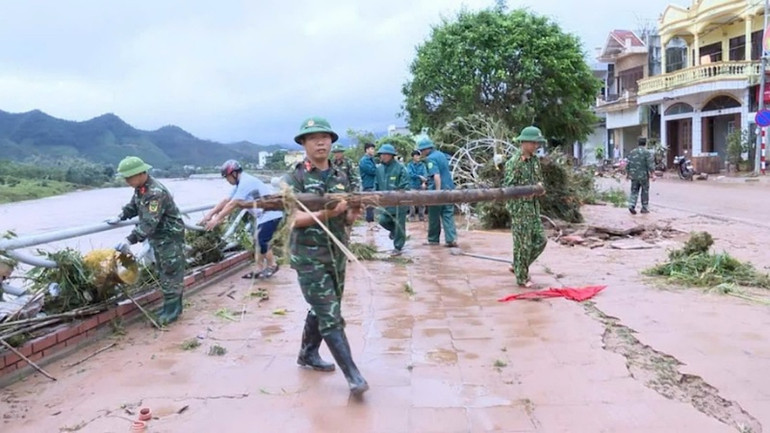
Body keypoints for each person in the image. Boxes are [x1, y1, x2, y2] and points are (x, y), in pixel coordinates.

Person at [284, 116, 368, 396]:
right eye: (312, 138)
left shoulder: (340, 175)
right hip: (308, 256)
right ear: (304, 143)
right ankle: (354, 376)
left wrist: (352, 214)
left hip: (337, 253)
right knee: (330, 315)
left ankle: (307, 354)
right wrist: (325, 214)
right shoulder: (294, 177)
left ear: (331, 141)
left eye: (325, 137)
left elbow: (346, 219)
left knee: (322, 308)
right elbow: (292, 219)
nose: (320, 142)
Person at [107, 156, 186, 325]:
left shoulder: (154, 193)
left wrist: (130, 239)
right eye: (126, 178)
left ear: (141, 173)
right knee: (164, 271)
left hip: (169, 237)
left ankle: (172, 311)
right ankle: (171, 307)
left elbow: (150, 222)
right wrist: (121, 216)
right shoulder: (141, 189)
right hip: (159, 238)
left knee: (170, 272)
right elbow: (134, 206)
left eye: (129, 177)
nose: (127, 181)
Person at [199, 160, 284, 278]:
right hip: (263, 216)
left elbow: (233, 204)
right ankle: (259, 268)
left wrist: (216, 219)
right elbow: (226, 200)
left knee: (262, 240)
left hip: (270, 214)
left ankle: (272, 266)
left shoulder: (246, 182)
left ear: (233, 173)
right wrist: (210, 214)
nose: (227, 180)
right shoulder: (240, 183)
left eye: (227, 177)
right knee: (257, 241)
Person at [503, 126, 548, 288]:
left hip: (533, 208)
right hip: (520, 209)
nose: (536, 146)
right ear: (524, 143)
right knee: (522, 244)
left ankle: (518, 266)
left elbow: (539, 180)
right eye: (534, 143)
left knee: (541, 240)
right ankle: (522, 278)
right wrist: (525, 192)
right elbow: (508, 188)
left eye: (538, 143)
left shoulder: (535, 161)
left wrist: (539, 188)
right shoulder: (514, 163)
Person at [417, 134, 458, 247]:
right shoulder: (441, 155)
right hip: (449, 189)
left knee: (434, 216)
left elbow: (436, 175)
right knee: (447, 214)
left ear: (426, 149)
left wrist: (437, 192)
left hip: (438, 191)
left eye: (422, 150)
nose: (422, 153)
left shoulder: (430, 159)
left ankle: (433, 239)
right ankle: (451, 239)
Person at [374, 143, 410, 255]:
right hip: (385, 203)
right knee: (382, 220)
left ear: (391, 155)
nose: (382, 157)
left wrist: (399, 194)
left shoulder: (400, 168)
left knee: (400, 225)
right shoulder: (379, 169)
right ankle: (394, 231)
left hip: (399, 203)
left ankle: (398, 247)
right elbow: (376, 185)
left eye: (384, 155)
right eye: (381, 155)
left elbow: (405, 185)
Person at [626, 137, 655, 215]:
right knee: (644, 192)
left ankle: (631, 205)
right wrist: (653, 174)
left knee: (634, 191)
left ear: (638, 143)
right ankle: (644, 208)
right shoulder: (647, 152)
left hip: (634, 176)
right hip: (644, 176)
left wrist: (628, 174)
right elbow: (650, 164)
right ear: (645, 143)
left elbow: (628, 164)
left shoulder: (632, 152)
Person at [358, 142, 377, 230]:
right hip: (368, 184)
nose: (373, 151)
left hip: (372, 184)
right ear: (367, 150)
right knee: (369, 205)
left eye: (373, 149)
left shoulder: (371, 159)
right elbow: (372, 171)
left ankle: (372, 223)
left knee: (372, 205)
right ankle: (370, 224)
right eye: (372, 149)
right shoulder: (364, 160)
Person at [406, 150, 427, 221]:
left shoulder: (422, 165)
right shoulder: (409, 165)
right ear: (413, 157)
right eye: (416, 155)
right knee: (411, 202)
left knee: (422, 202)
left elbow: (425, 175)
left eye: (419, 155)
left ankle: (422, 216)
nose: (418, 157)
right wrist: (419, 176)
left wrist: (424, 183)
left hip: (421, 186)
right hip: (412, 185)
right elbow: (410, 174)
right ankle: (412, 216)